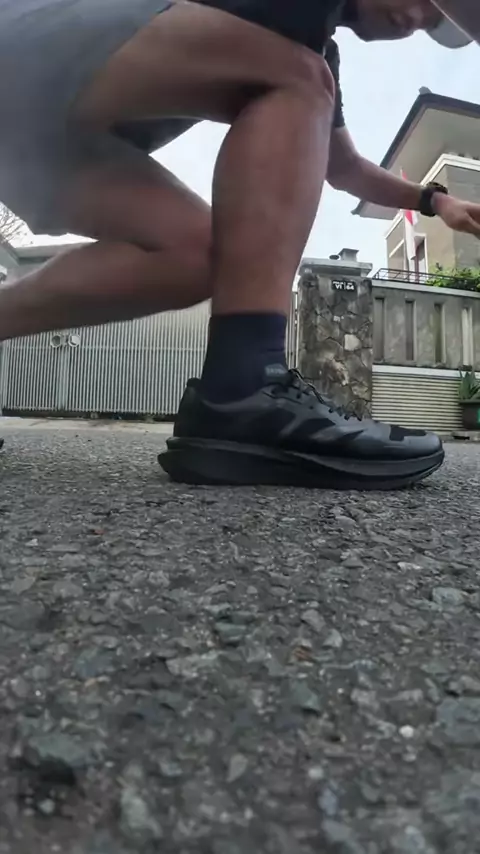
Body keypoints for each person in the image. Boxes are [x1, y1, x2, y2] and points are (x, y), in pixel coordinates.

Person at [0, 0, 476, 488]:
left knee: (197, 254)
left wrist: (435, 201)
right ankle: (245, 386)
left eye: (429, 24)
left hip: (40, 145)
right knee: (301, 78)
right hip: (25, 46)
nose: (415, 19)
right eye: (425, 1)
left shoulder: (312, 51)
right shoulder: (301, 57)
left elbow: (344, 167)